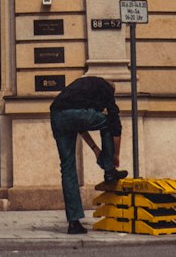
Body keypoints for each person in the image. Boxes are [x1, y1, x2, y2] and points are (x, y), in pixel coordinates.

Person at [50, 73, 124, 234]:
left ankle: (74, 222)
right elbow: (116, 126)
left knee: (67, 168)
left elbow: (79, 126)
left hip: (57, 116)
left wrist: (96, 150)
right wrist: (114, 157)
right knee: (108, 123)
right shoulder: (106, 89)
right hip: (74, 114)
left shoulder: (83, 88)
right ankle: (109, 171)